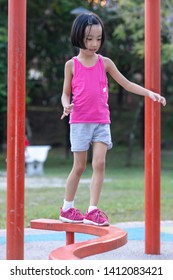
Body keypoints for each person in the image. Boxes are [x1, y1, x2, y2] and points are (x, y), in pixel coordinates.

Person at [59, 12, 166, 226]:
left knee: (99, 163)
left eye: (98, 39)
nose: (94, 43)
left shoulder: (105, 62)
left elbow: (126, 84)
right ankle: (67, 208)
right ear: (78, 36)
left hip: (101, 122)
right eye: (89, 38)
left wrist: (149, 93)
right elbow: (65, 93)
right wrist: (65, 105)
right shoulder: (71, 65)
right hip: (80, 121)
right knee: (79, 166)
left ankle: (92, 210)